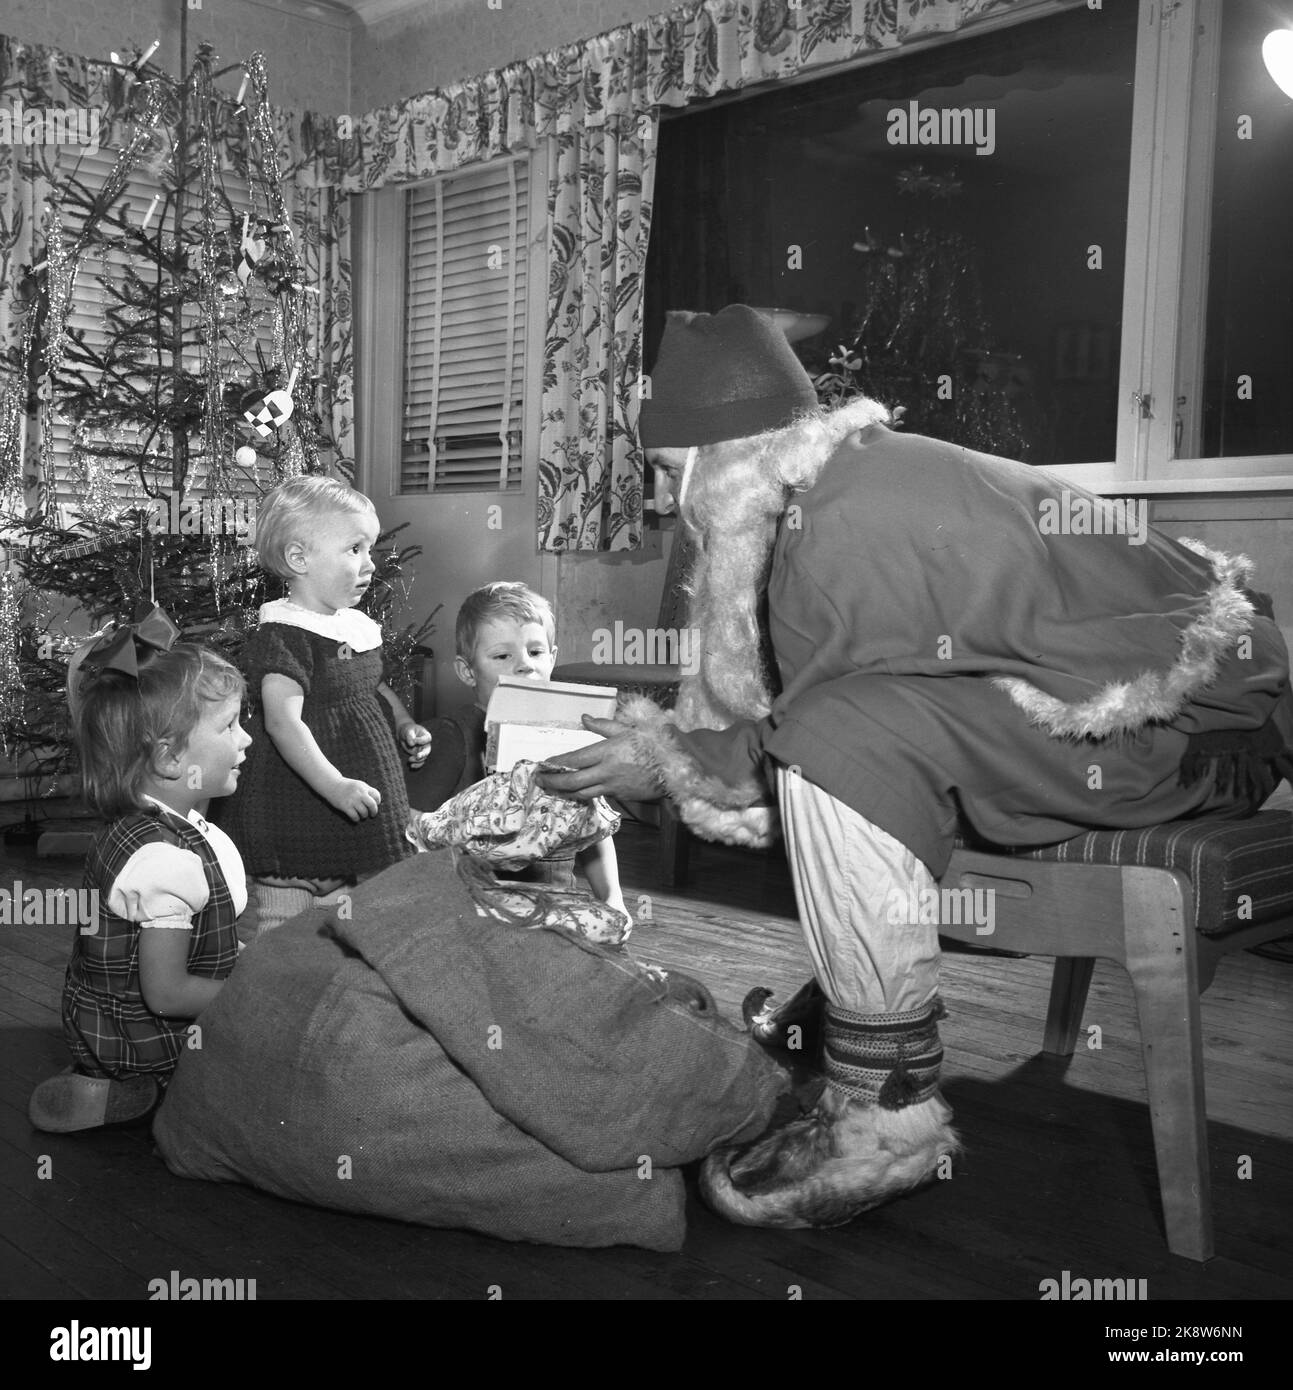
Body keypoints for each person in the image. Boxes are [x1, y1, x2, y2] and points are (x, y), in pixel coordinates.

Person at [539, 304, 1293, 1228]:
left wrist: (662, 763)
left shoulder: (841, 530)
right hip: (1189, 716)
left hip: (1195, 735)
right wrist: (667, 750)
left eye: (668, 474)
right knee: (849, 731)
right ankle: (856, 1027)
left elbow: (822, 726)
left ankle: (884, 1115)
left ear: (726, 453)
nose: (669, 504)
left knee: (843, 741)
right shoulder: (843, 483)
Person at [29, 609, 251, 1132]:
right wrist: (254, 990)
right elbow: (167, 994)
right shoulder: (163, 861)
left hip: (109, 1018)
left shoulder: (149, 822)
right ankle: (133, 1086)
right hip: (146, 1035)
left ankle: (105, 1078)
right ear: (171, 758)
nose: (245, 740)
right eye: (230, 726)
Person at [220, 475, 432, 933]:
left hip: (354, 808)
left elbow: (372, 687)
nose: (370, 563)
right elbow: (282, 722)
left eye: (369, 549)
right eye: (354, 549)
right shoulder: (284, 634)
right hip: (295, 805)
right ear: (299, 558)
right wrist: (334, 785)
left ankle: (330, 990)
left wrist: (403, 723)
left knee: (346, 919)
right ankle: (270, 995)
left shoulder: (353, 627)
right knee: (283, 923)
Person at [407, 581, 628, 915]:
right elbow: (411, 831)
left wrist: (613, 899)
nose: (525, 665)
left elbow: (594, 829)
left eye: (535, 652)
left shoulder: (570, 738)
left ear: (552, 659)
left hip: (555, 907)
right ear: (468, 671)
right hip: (470, 910)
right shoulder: (450, 737)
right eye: (502, 655)